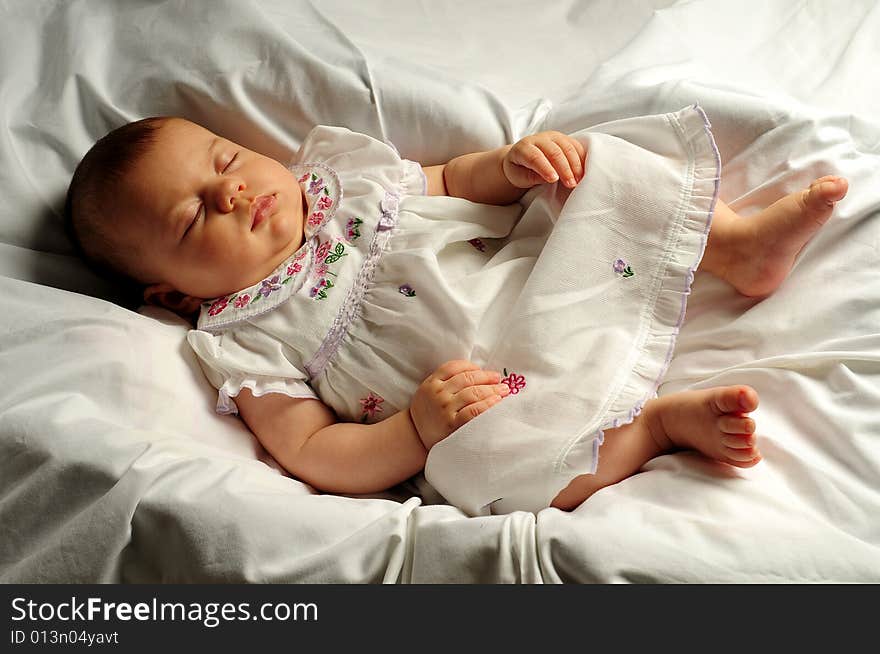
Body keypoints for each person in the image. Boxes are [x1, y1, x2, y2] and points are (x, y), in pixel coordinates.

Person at [64, 109, 848, 512]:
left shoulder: (343, 179)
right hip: (493, 394)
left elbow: (449, 181)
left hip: (549, 276)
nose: (231, 191)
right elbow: (311, 452)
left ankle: (735, 245)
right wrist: (414, 432)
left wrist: (509, 168)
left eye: (226, 160)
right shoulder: (242, 341)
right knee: (492, 470)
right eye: (196, 217)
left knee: (594, 167)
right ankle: (657, 427)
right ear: (170, 292)